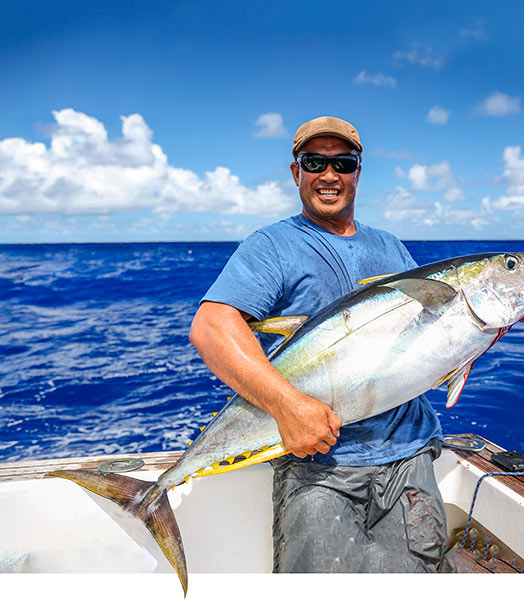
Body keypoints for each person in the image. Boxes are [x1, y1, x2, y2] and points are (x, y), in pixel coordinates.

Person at [189, 116, 453, 572]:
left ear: (357, 171)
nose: (329, 175)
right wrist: (289, 407)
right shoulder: (272, 245)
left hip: (410, 455)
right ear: (296, 172)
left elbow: (439, 334)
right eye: (316, 162)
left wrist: (499, 313)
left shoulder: (389, 246)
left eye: (342, 163)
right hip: (318, 464)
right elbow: (211, 327)